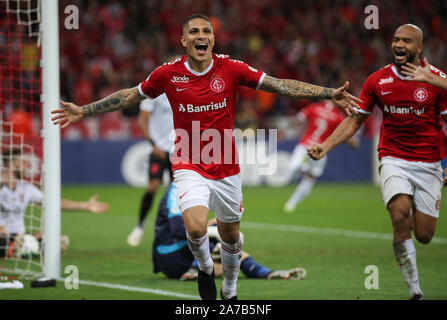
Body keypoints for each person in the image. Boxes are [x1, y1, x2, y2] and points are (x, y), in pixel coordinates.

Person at [51, 13, 360, 300]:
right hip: (188, 162)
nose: (202, 36)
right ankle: (203, 267)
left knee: (230, 235)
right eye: (194, 32)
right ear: (183, 41)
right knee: (197, 228)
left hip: (226, 165)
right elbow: (130, 95)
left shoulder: (232, 68)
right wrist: (85, 109)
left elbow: (279, 85)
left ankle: (230, 289)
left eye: (207, 31)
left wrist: (327, 92)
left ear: (213, 38)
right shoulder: (167, 74)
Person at [307, 24, 447, 300]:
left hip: (429, 163)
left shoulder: (437, 81)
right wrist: (326, 146)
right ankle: (415, 291)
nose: (399, 44)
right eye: (396, 39)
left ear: (419, 48)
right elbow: (356, 118)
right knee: (399, 213)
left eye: (406, 41)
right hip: (393, 157)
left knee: (425, 235)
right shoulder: (377, 81)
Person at [152, 181, 307, 282]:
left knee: (233, 252)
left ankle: (268, 273)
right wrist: (217, 233)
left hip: (185, 254)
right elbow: (179, 229)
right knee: (216, 231)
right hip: (170, 254)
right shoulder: (177, 189)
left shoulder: (198, 187)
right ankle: (194, 269)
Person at [0, 148, 109, 256]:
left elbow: (54, 203)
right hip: (2, 236)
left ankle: (21, 246)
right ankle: (20, 248)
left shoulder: (25, 187)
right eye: (22, 162)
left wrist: (85, 205)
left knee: (59, 241)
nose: (26, 166)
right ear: (10, 164)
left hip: (18, 237)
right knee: (3, 238)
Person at [283, 100, 359, 213]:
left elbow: (298, 120)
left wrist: (284, 129)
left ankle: (301, 167)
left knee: (293, 169)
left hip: (305, 145)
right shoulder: (338, 116)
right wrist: (354, 143)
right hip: (321, 150)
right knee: (309, 179)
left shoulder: (313, 107)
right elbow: (347, 135)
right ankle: (291, 204)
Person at [127, 92, 175, 247]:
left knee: (175, 192)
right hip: (158, 149)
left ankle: (171, 229)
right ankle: (140, 226)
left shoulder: (182, 88)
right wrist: (153, 144)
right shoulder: (154, 93)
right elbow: (143, 119)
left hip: (178, 149)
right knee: (152, 187)